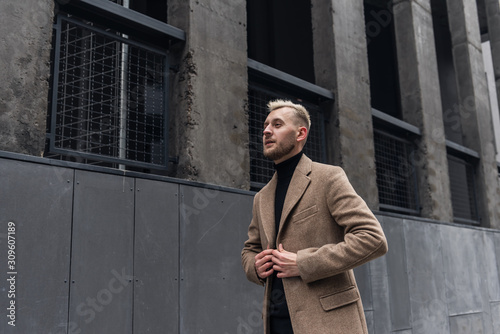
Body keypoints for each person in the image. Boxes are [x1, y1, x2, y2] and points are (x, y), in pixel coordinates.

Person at [241, 99, 388, 334]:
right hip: (277, 323)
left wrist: (303, 263)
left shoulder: (328, 177)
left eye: (277, 125)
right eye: (266, 126)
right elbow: (250, 249)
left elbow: (372, 238)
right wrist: (256, 267)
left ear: (301, 133)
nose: (267, 131)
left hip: (328, 323)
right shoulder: (262, 197)